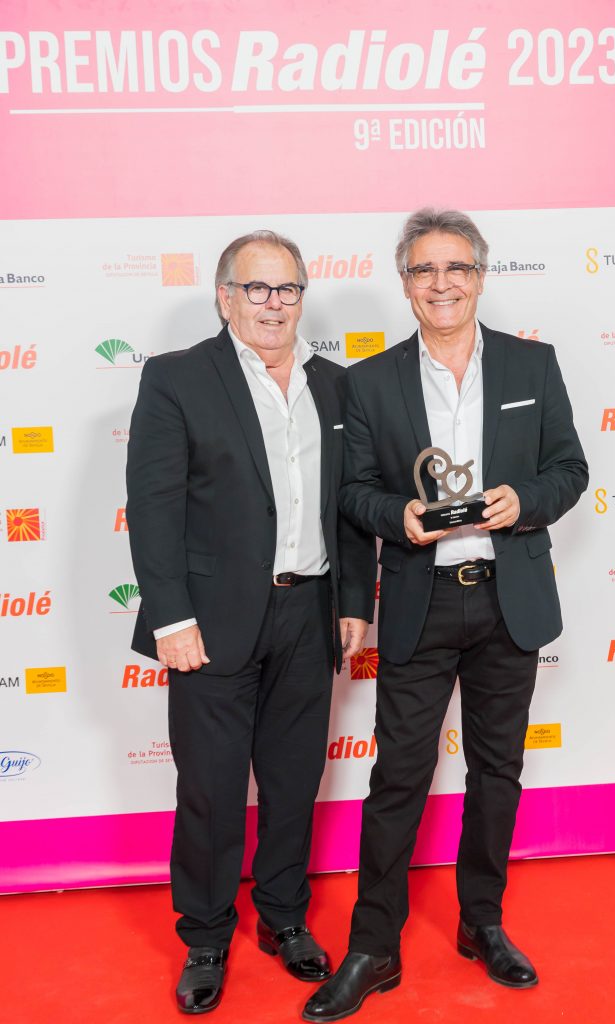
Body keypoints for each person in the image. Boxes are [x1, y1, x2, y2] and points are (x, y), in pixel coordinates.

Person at [303, 208, 588, 1021]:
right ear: (405, 283)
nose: (442, 283)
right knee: (397, 777)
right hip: (420, 604)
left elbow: (569, 470)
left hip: (510, 600)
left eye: (456, 267)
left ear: (480, 275)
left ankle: (482, 922)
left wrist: (524, 501)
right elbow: (354, 492)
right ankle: (374, 946)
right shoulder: (368, 381)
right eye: (424, 269)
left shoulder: (534, 364)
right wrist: (399, 517)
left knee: (498, 773)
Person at [126, 230, 375, 1015]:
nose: (274, 304)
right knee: (210, 788)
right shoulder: (177, 378)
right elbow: (154, 508)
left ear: (302, 297)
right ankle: (205, 936)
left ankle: (284, 917)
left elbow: (349, 505)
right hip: (209, 619)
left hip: (310, 611)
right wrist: (170, 616)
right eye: (256, 288)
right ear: (225, 297)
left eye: (287, 289)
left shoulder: (335, 384)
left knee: (295, 779)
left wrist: (354, 601)